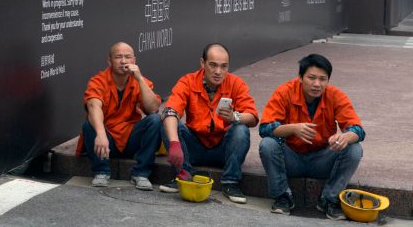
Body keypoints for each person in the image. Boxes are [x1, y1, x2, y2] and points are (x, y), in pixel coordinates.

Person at [259, 53, 364, 220]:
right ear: (301, 77)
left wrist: (346, 136)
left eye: (323, 79)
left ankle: (328, 199)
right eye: (311, 78)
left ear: (328, 81)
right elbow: (264, 128)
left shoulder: (335, 95)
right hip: (291, 158)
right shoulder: (284, 91)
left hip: (322, 159)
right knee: (267, 144)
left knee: (354, 148)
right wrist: (292, 129)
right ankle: (283, 197)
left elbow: (358, 130)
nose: (317, 84)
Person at [159, 43, 258, 204]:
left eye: (223, 66)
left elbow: (252, 117)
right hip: (195, 146)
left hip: (223, 150)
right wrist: (175, 143)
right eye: (213, 65)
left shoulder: (236, 83)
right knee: (165, 122)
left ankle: (231, 182)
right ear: (202, 63)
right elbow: (170, 110)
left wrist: (234, 117)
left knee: (240, 129)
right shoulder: (188, 81)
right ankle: (184, 173)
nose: (218, 71)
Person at [76, 42, 163, 190]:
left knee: (155, 120)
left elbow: (153, 109)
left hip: (130, 138)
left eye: (128, 57)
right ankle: (101, 171)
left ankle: (141, 173)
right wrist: (101, 133)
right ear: (109, 61)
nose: (123, 61)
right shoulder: (99, 80)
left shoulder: (139, 80)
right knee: (89, 124)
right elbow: (93, 106)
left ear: (134, 61)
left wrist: (140, 79)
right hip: (106, 140)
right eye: (118, 57)